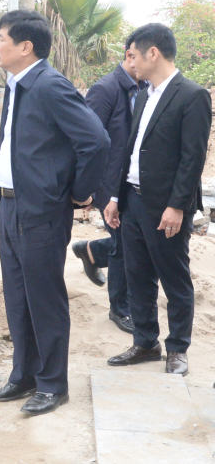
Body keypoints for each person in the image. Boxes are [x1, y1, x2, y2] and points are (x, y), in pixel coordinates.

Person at [0, 10, 109, 416]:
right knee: (18, 296)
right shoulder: (16, 85)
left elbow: (96, 141)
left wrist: (76, 193)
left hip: (41, 210)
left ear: (25, 46)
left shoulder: (50, 85)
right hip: (11, 207)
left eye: (2, 38)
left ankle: (53, 384)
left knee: (45, 298)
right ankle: (24, 376)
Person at [104, 24, 211, 377]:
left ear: (153, 53)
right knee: (137, 276)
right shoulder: (141, 95)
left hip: (166, 206)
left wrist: (178, 205)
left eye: (132, 54)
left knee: (174, 279)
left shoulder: (191, 95)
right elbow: (130, 150)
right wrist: (116, 196)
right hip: (132, 202)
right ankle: (145, 342)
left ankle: (177, 349)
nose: (129, 62)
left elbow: (191, 158)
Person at [72, 42, 148, 334]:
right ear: (130, 56)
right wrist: (87, 188)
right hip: (108, 183)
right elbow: (87, 140)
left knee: (130, 241)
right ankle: (120, 308)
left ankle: (89, 250)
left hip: (134, 180)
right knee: (124, 247)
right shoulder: (105, 89)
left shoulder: (145, 88)